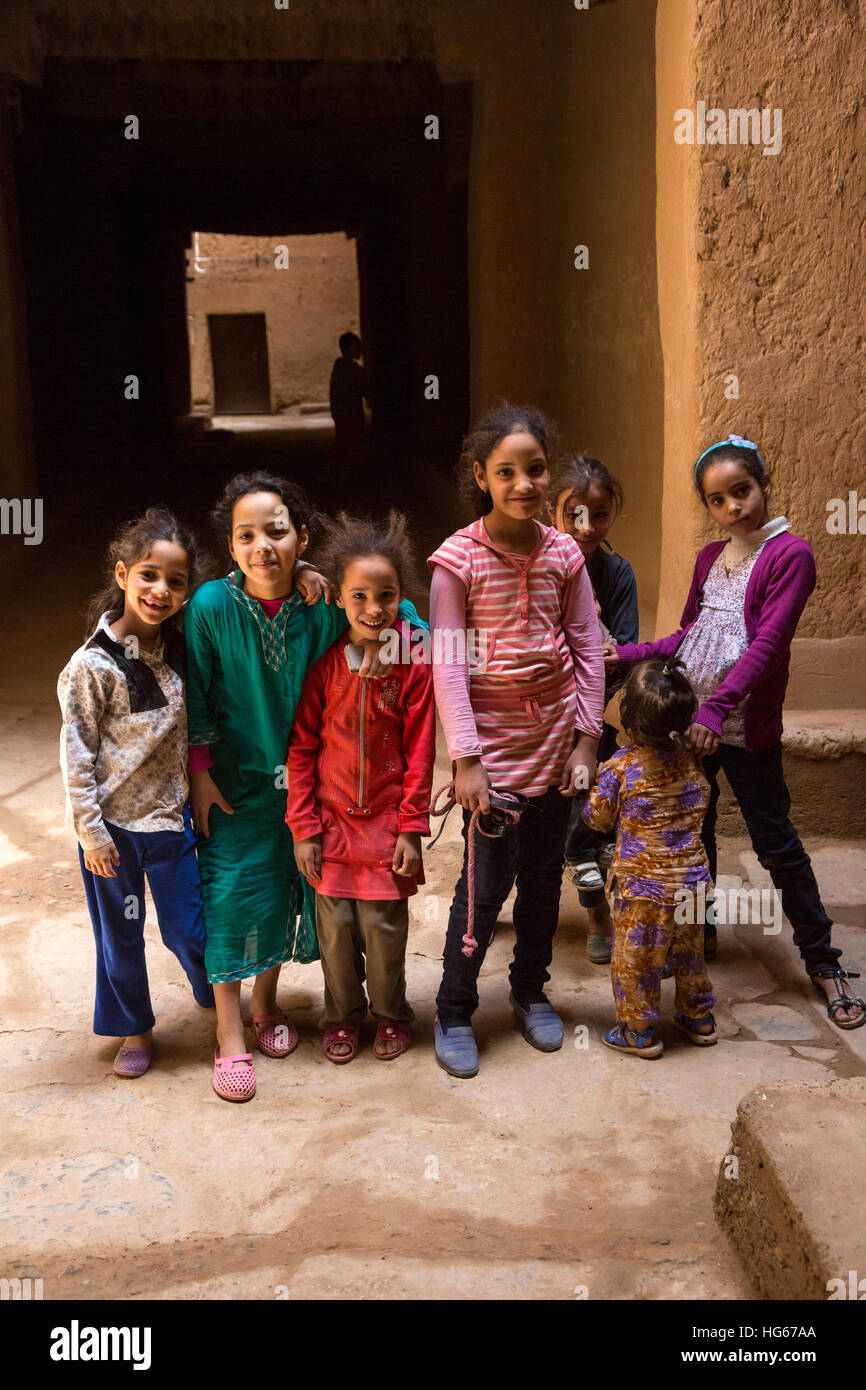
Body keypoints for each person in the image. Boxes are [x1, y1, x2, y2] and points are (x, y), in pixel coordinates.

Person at [606, 434, 864, 1030]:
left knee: (775, 840)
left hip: (740, 726)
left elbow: (768, 646)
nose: (733, 508)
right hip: (688, 723)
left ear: (763, 484)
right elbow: (688, 639)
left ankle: (824, 963)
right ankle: (700, 936)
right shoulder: (708, 559)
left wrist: (715, 712)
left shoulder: (789, 555)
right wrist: (625, 655)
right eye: (718, 500)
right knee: (694, 828)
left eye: (741, 491)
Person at [185, 471, 426, 1101]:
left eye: (277, 531)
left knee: (287, 890)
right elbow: (198, 695)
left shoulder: (323, 601)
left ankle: (267, 1005)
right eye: (247, 536)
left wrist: (392, 638)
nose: (263, 545)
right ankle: (230, 1029)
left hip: (310, 791)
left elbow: (403, 614)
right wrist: (201, 774)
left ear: (302, 536)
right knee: (233, 892)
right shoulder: (210, 606)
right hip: (234, 783)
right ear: (231, 548)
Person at [429, 402, 605, 1078]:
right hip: (492, 759)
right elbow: (447, 662)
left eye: (535, 470)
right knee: (482, 889)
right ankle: (453, 1008)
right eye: (507, 472)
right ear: (482, 476)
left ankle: (530, 992)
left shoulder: (563, 551)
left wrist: (586, 741)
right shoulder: (458, 561)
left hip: (556, 747)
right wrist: (467, 759)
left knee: (539, 883)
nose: (524, 484)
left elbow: (587, 644)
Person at [58, 507, 214, 1079]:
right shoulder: (89, 667)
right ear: (123, 575)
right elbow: (75, 756)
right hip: (112, 833)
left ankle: (213, 994)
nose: (161, 589)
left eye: (176, 581)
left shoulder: (180, 650)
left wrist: (306, 573)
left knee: (188, 928)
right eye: (149, 574)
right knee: (120, 935)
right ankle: (134, 1027)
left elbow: (245, 588)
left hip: (169, 823)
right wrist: (91, 834)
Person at [287, 511, 435, 1063]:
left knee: (383, 929)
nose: (374, 609)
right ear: (341, 601)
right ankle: (343, 1017)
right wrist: (304, 829)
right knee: (336, 932)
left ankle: (392, 1015)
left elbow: (421, 749)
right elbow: (301, 750)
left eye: (387, 595)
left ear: (401, 597)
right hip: (330, 830)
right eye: (359, 597)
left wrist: (411, 827)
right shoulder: (326, 668)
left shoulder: (412, 663)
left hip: (387, 829)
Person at [577, 658, 717, 1058]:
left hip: (643, 890)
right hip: (692, 881)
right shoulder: (692, 756)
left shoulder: (620, 768)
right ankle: (699, 1018)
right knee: (689, 953)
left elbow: (597, 818)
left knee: (636, 958)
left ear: (627, 717)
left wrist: (583, 791)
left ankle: (639, 1031)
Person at [550, 454, 638, 964]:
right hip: (532, 717)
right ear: (551, 511)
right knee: (506, 816)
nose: (586, 527)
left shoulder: (616, 573)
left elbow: (621, 656)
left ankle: (597, 911)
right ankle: (479, 900)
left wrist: (596, 636)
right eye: (573, 514)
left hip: (589, 716)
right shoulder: (538, 565)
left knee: (589, 814)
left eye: (598, 515)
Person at [329, 331, 368, 482]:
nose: (360, 351)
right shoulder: (355, 370)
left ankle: (331, 476)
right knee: (352, 447)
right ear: (348, 349)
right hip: (352, 414)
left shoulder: (338, 365)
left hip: (339, 413)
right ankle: (344, 480)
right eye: (357, 348)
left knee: (341, 444)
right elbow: (366, 391)